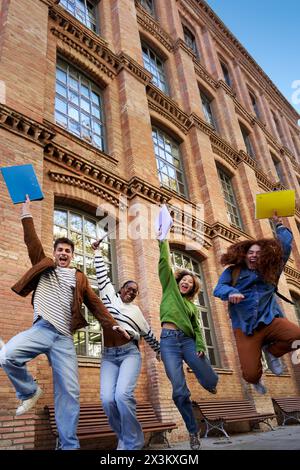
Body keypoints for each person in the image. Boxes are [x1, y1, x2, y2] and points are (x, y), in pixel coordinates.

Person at [0, 196, 129, 450]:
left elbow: (96, 305)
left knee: (69, 393)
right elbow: (32, 242)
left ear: (71, 256)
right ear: (55, 252)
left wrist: (112, 324)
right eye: (60, 250)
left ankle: (69, 446)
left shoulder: (79, 278)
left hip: (63, 339)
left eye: (68, 251)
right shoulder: (44, 266)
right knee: (7, 356)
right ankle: (28, 392)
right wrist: (26, 214)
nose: (63, 254)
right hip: (41, 329)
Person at [213, 214, 300, 394]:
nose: (254, 256)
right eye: (251, 253)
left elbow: (284, 246)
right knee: (250, 375)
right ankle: (256, 377)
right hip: (245, 328)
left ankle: (272, 352)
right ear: (244, 255)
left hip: (270, 321)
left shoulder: (271, 270)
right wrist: (231, 292)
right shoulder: (234, 271)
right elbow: (218, 289)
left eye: (258, 254)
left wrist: (278, 224)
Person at [92, 239, 160, 451]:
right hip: (109, 355)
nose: (131, 292)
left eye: (135, 292)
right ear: (120, 288)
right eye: (129, 289)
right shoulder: (108, 296)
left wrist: (160, 352)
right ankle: (124, 436)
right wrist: (96, 252)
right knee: (106, 400)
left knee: (122, 396)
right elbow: (102, 274)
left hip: (130, 354)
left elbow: (148, 335)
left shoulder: (136, 312)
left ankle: (133, 443)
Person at [158, 238, 218, 450]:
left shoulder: (191, 307)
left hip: (188, 341)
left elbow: (197, 329)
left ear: (193, 289)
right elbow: (164, 262)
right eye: (184, 280)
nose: (186, 283)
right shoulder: (169, 289)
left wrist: (201, 346)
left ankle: (210, 383)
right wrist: (162, 240)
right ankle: (193, 432)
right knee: (180, 392)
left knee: (211, 378)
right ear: (178, 281)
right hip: (168, 342)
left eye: (191, 284)